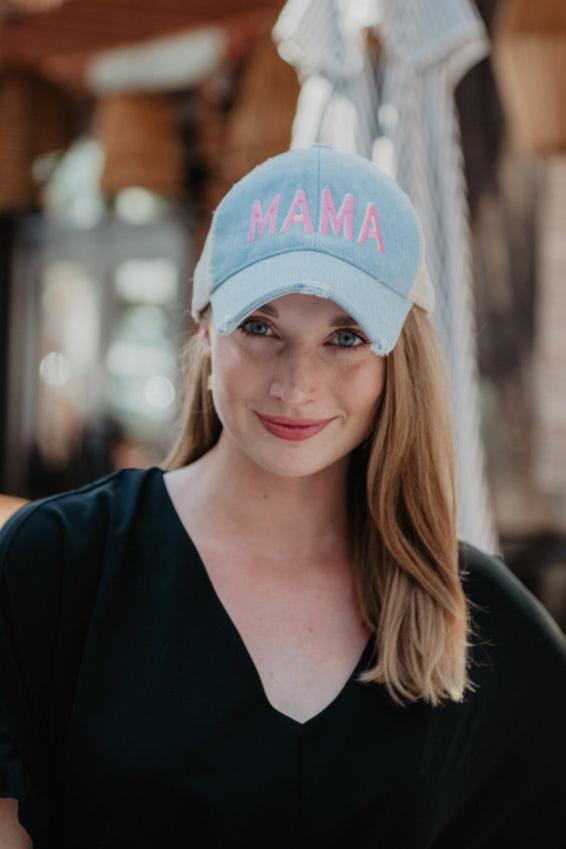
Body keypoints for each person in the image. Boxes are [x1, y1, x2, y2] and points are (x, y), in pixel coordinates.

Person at [1, 144, 565, 849]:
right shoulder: (60, 561)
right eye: (261, 327)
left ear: (396, 363)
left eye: (346, 337)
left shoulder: (472, 613)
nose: (297, 386)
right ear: (206, 330)